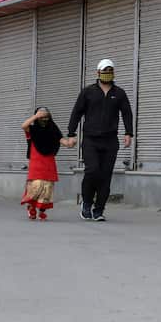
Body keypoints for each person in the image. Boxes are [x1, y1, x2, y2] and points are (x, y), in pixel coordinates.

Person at [62, 58, 133, 222]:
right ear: (98, 73)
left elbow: (127, 113)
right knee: (92, 170)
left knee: (105, 175)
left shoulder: (119, 93)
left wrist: (128, 133)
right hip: (91, 140)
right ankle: (87, 202)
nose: (107, 74)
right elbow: (77, 112)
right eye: (104, 71)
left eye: (110, 71)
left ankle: (99, 209)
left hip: (110, 141)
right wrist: (71, 133)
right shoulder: (88, 92)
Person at [21, 107, 62, 221]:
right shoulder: (32, 130)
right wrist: (35, 116)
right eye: (41, 116)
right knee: (36, 186)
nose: (44, 119)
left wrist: (69, 142)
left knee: (47, 188)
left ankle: (42, 210)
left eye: (46, 116)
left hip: (49, 163)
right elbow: (24, 126)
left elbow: (60, 139)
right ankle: (31, 207)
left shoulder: (53, 129)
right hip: (36, 163)